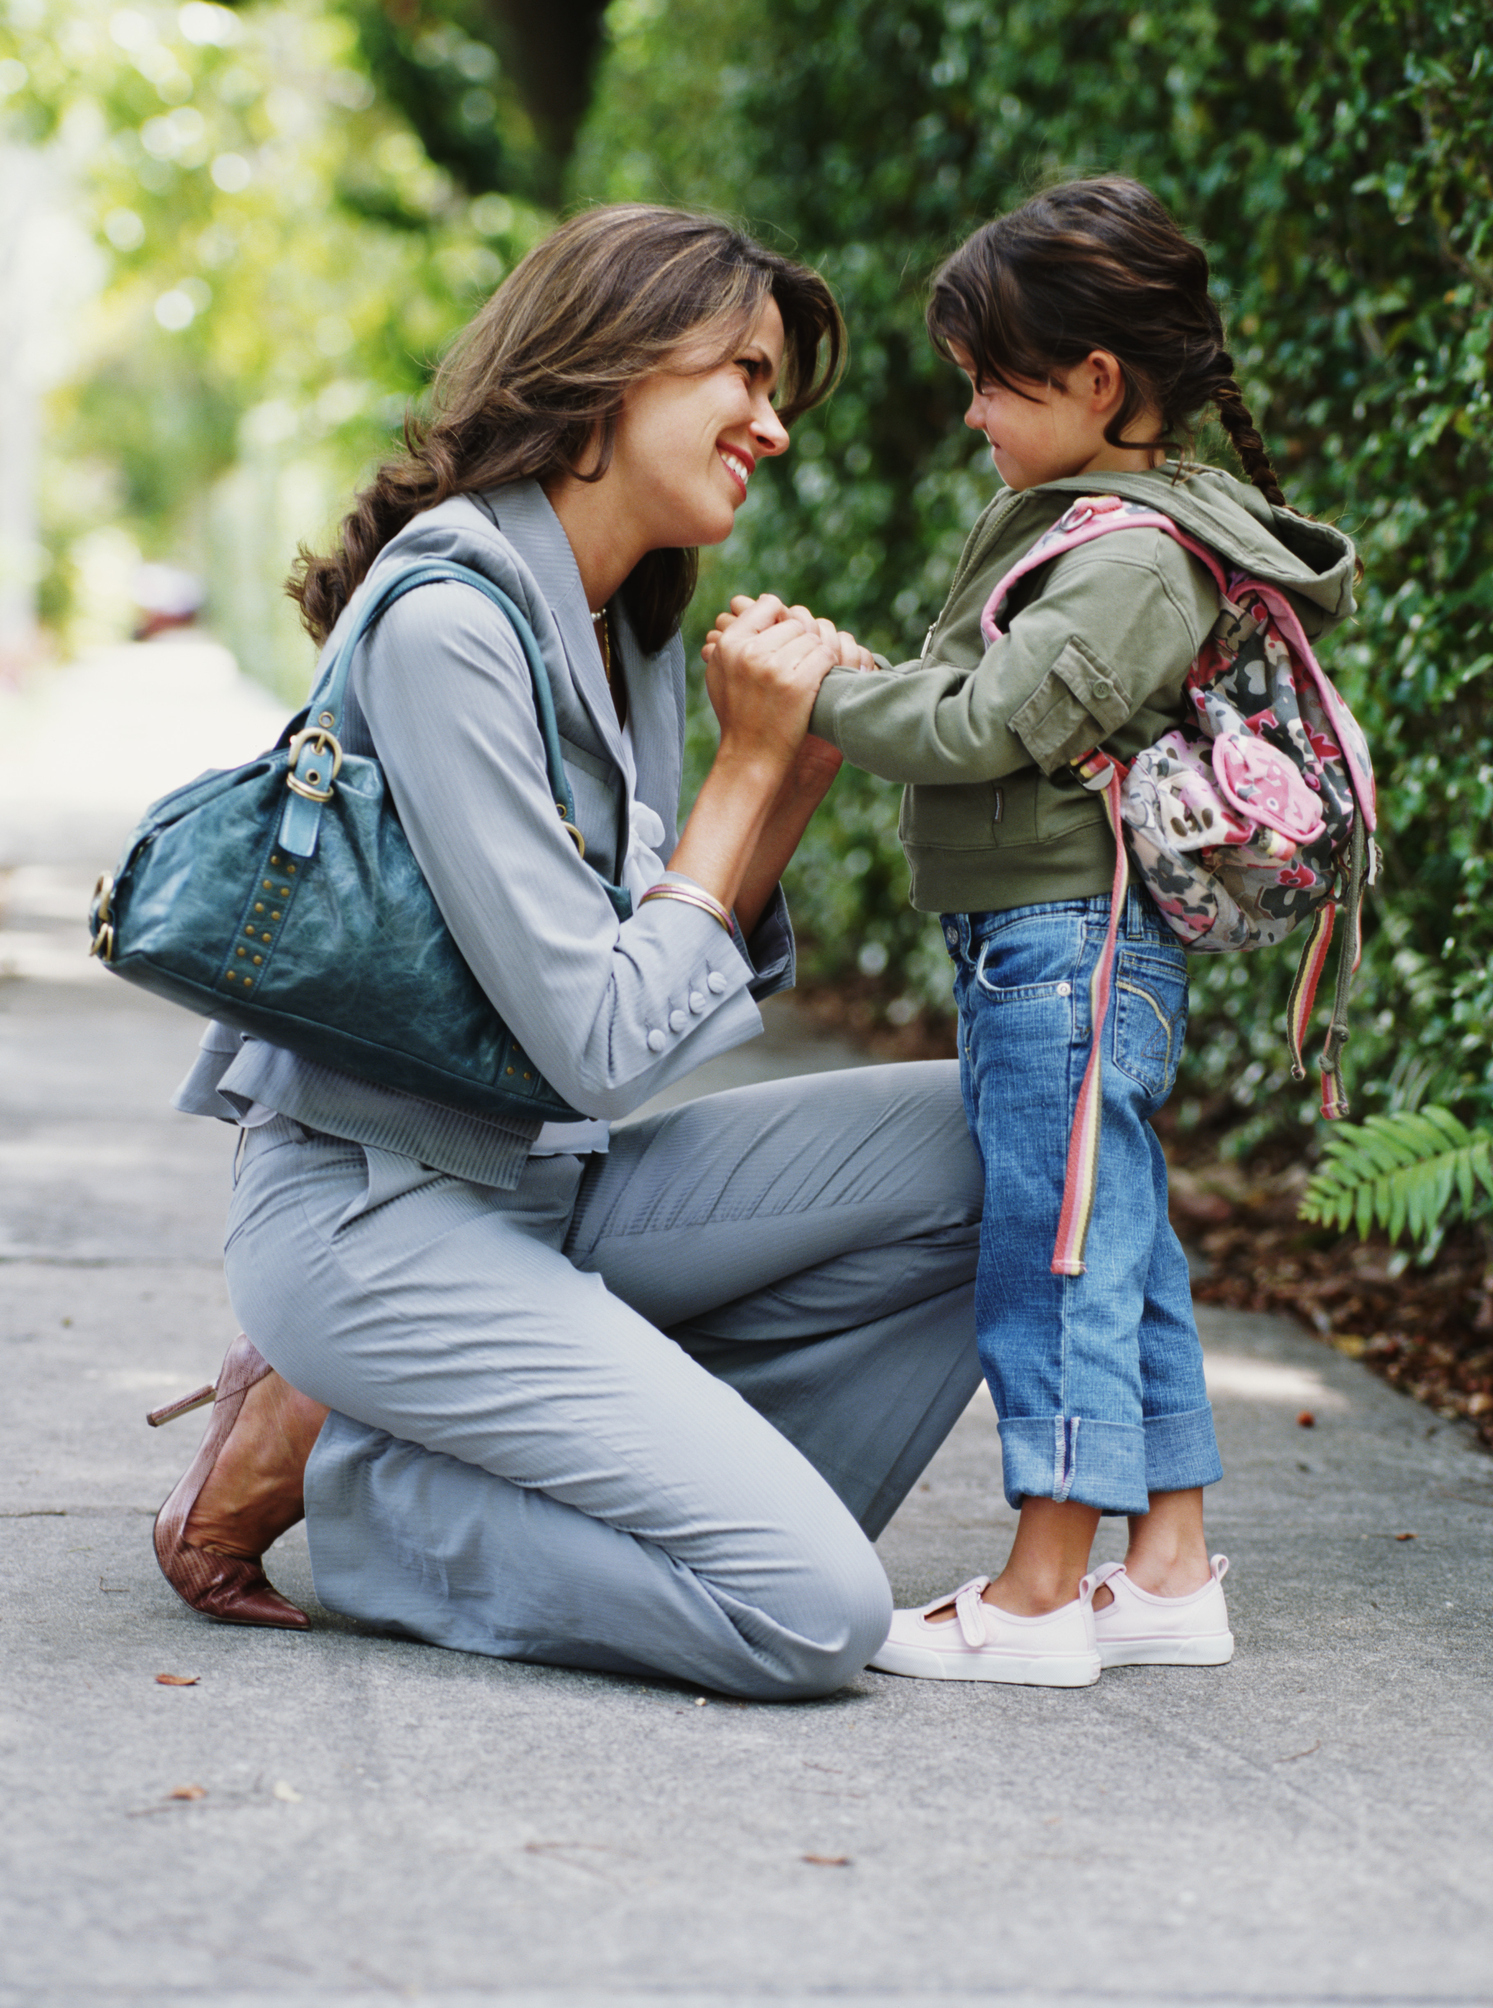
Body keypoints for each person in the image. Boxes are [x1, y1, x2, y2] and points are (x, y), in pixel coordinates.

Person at [149, 205, 985, 1700]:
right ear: (611, 364)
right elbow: (594, 1038)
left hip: (549, 1185)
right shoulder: (449, 619)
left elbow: (640, 1024)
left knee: (1003, 1140)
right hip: (373, 1224)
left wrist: (780, 787)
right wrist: (738, 780)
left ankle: (616, 1485)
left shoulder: (622, 625)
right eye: (741, 372)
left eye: (775, 390)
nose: (771, 427)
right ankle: (352, 1471)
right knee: (809, 1616)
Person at [716, 178, 1357, 1685]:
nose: (969, 420)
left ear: (1092, 382)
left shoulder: (1133, 553)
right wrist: (883, 687)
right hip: (1056, 939)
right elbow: (1014, 703)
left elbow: (1002, 719)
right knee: (1115, 1247)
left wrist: (813, 697)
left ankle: (1040, 1594)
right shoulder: (1098, 526)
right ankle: (1169, 1569)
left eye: (987, 385)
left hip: (1068, 944)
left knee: (1053, 1253)